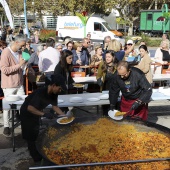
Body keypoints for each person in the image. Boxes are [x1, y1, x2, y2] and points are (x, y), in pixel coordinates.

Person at [20, 74, 70, 162]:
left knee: (36, 132)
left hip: (35, 112)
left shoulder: (54, 93)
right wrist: (44, 114)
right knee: (30, 136)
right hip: (27, 113)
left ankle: (38, 152)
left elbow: (55, 106)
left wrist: (65, 117)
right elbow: (30, 108)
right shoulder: (41, 93)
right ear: (54, 85)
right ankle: (36, 159)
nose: (60, 90)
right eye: (59, 88)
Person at [0, 34, 27, 136]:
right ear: (16, 42)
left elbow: (21, 67)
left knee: (22, 104)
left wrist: (24, 64)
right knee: (7, 106)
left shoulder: (20, 52)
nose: (23, 47)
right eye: (22, 45)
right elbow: (4, 70)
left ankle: (23, 121)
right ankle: (6, 126)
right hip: (9, 84)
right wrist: (19, 65)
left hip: (19, 83)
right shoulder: (5, 53)